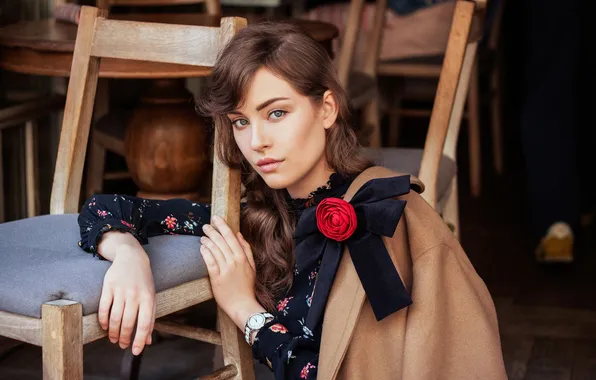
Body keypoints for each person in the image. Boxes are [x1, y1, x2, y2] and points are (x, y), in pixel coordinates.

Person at [78, 23, 506, 380]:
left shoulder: (386, 214)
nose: (257, 141)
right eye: (241, 122)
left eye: (277, 113)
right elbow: (103, 208)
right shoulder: (253, 219)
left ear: (327, 110)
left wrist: (245, 310)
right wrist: (128, 254)